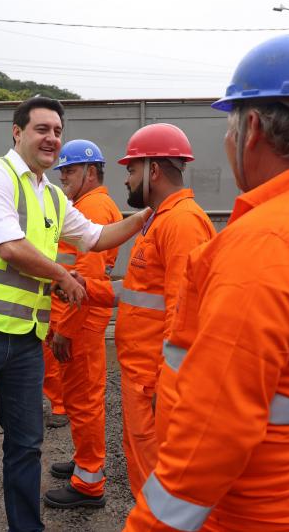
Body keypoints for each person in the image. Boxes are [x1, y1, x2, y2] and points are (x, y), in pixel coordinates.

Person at [124, 33, 289, 531]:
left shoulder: (269, 242)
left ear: (250, 128)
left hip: (259, 511)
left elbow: (214, 432)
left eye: (227, 129)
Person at [0, 96, 151, 532]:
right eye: (43, 129)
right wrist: (64, 277)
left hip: (24, 336)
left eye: (58, 131)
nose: (52, 138)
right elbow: (8, 245)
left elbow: (96, 237)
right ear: (17, 132)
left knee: (26, 445)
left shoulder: (52, 198)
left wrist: (146, 217)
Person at [102, 123, 217, 497]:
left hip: (154, 382)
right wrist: (84, 289)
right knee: (145, 481)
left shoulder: (181, 222)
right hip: (142, 378)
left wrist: (168, 388)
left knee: (160, 489)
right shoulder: (159, 219)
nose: (126, 180)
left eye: (131, 170)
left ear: (153, 169)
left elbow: (185, 312)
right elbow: (141, 292)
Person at [42, 139, 122, 509]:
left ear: (91, 171)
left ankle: (89, 482)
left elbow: (83, 281)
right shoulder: (89, 205)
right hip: (80, 320)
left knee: (85, 400)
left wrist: (65, 331)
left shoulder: (93, 207)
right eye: (61, 172)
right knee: (79, 398)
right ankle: (83, 460)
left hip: (81, 323)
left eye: (70, 171)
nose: (63, 178)